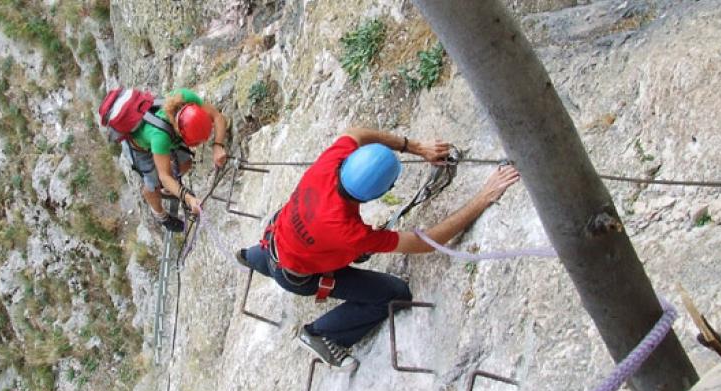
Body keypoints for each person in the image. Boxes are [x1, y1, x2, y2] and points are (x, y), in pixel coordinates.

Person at [237, 128, 520, 370]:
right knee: (394, 294)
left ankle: (251, 257)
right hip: (299, 276)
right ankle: (322, 335)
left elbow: (358, 132)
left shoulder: (331, 162)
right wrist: (483, 198)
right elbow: (426, 242)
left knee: (281, 253)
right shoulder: (349, 232)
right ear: (378, 194)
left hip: (276, 238)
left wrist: (416, 147)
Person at [122, 88, 228, 232]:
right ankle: (161, 216)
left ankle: (169, 191)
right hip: (139, 148)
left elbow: (217, 117)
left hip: (165, 133)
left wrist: (218, 146)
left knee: (186, 163)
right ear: (180, 132)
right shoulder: (160, 138)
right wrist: (189, 199)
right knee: (153, 184)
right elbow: (164, 176)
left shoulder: (185, 97)